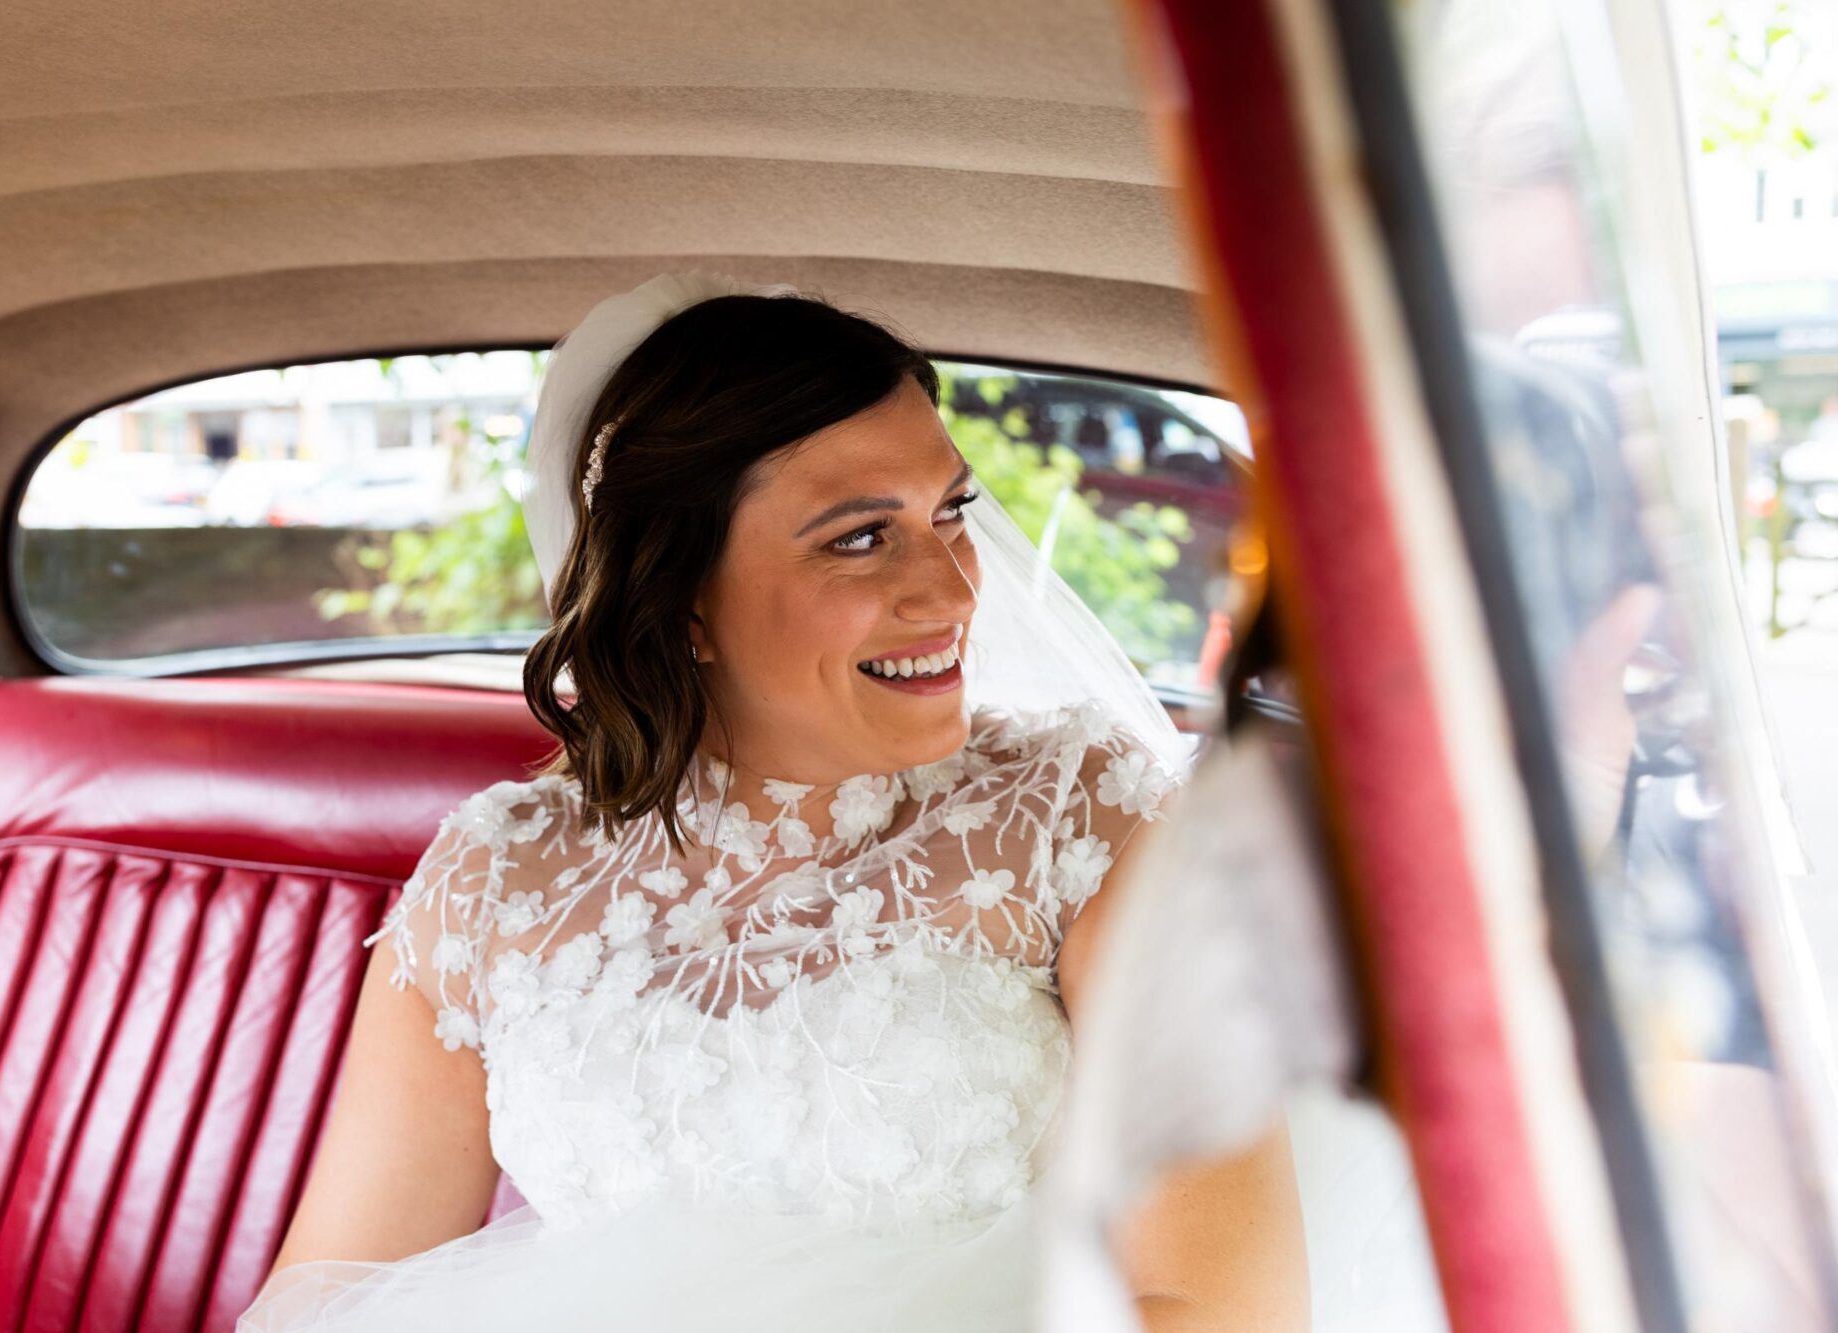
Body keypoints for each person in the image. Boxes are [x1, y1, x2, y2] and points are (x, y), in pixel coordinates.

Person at [239, 272, 1309, 1331]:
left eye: (949, 514)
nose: (949, 588)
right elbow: (328, 1297)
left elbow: (1220, 1307)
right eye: (858, 536)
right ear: (680, 599)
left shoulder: (1084, 818)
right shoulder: (489, 885)